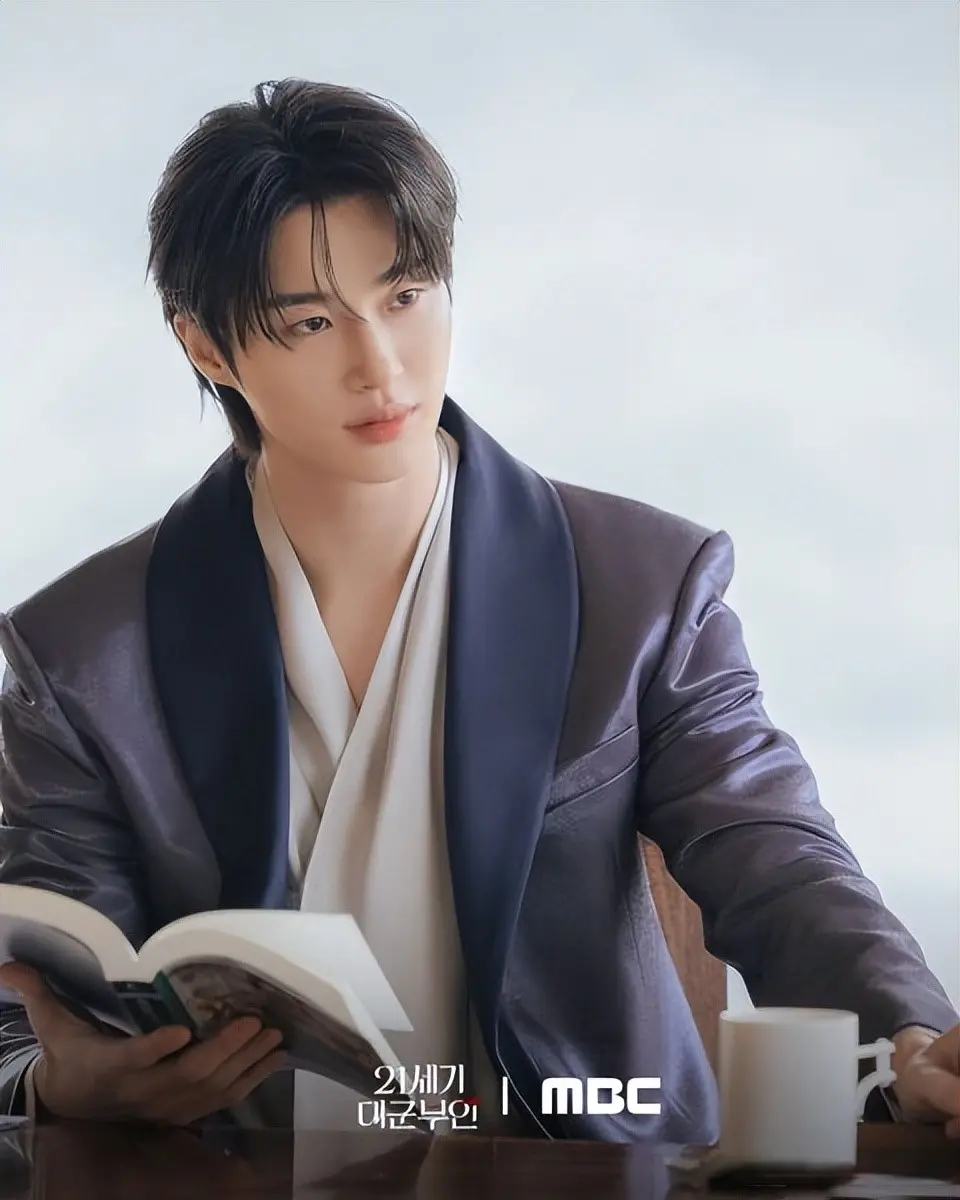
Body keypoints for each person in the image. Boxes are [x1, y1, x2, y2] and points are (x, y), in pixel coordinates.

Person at [1, 78, 958, 1141]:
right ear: (207, 348)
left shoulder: (640, 584)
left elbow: (776, 857)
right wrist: (54, 1087)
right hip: (243, 1177)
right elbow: (37, 987)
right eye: (311, 321)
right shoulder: (80, 653)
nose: (380, 365)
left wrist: (907, 1040)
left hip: (581, 1163)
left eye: (406, 296)